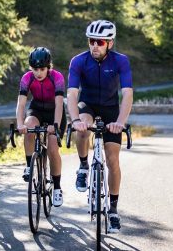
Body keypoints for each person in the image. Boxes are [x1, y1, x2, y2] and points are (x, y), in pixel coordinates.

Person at [67, 20, 132, 233]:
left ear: (109, 43)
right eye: (91, 41)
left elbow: (127, 94)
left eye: (100, 42)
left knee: (113, 159)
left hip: (111, 108)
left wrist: (120, 122)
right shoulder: (78, 61)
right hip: (89, 105)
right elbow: (72, 94)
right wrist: (75, 120)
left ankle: (113, 210)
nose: (95, 45)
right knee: (83, 126)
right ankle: (84, 166)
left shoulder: (121, 61)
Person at [16, 47, 67, 207]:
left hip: (54, 112)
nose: (39, 73)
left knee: (52, 148)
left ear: (48, 67)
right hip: (37, 108)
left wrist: (56, 125)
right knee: (29, 125)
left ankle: (57, 187)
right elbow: (21, 103)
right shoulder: (27, 78)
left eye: (42, 69)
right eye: (35, 69)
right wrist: (19, 123)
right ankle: (28, 165)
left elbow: (59, 104)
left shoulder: (57, 77)